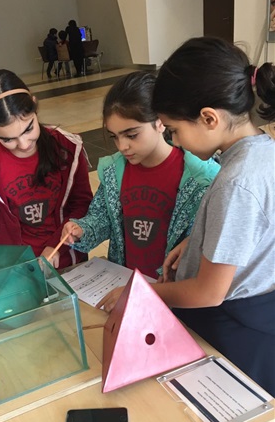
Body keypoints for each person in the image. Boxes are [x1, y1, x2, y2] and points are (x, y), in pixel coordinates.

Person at [147, 36, 275, 422]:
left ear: (208, 118)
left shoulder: (238, 181)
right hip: (252, 313)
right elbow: (249, 236)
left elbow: (208, 291)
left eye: (174, 130)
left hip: (237, 325)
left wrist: (146, 291)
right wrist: (195, 243)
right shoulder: (258, 153)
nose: (174, 141)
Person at [0, 69, 93, 315]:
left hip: (67, 264)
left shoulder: (67, 146)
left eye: (28, 129)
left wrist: (54, 246)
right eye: (8, 139)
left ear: (35, 107)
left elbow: (81, 205)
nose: (24, 144)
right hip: (13, 275)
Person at [61, 71, 220, 281]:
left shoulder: (200, 178)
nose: (122, 146)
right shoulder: (114, 171)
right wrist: (82, 229)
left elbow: (208, 238)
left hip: (175, 287)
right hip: (128, 280)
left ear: (160, 121)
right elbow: (102, 218)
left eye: (131, 135)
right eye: (115, 137)